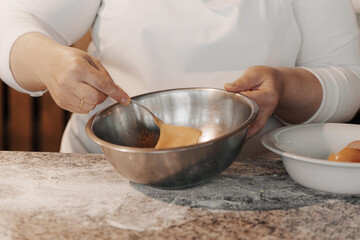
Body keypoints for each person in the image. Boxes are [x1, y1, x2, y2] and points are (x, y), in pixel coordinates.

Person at [0, 0, 359, 156]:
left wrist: (285, 86)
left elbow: (349, 79)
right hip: (104, 172)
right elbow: (11, 20)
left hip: (258, 182)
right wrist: (49, 61)